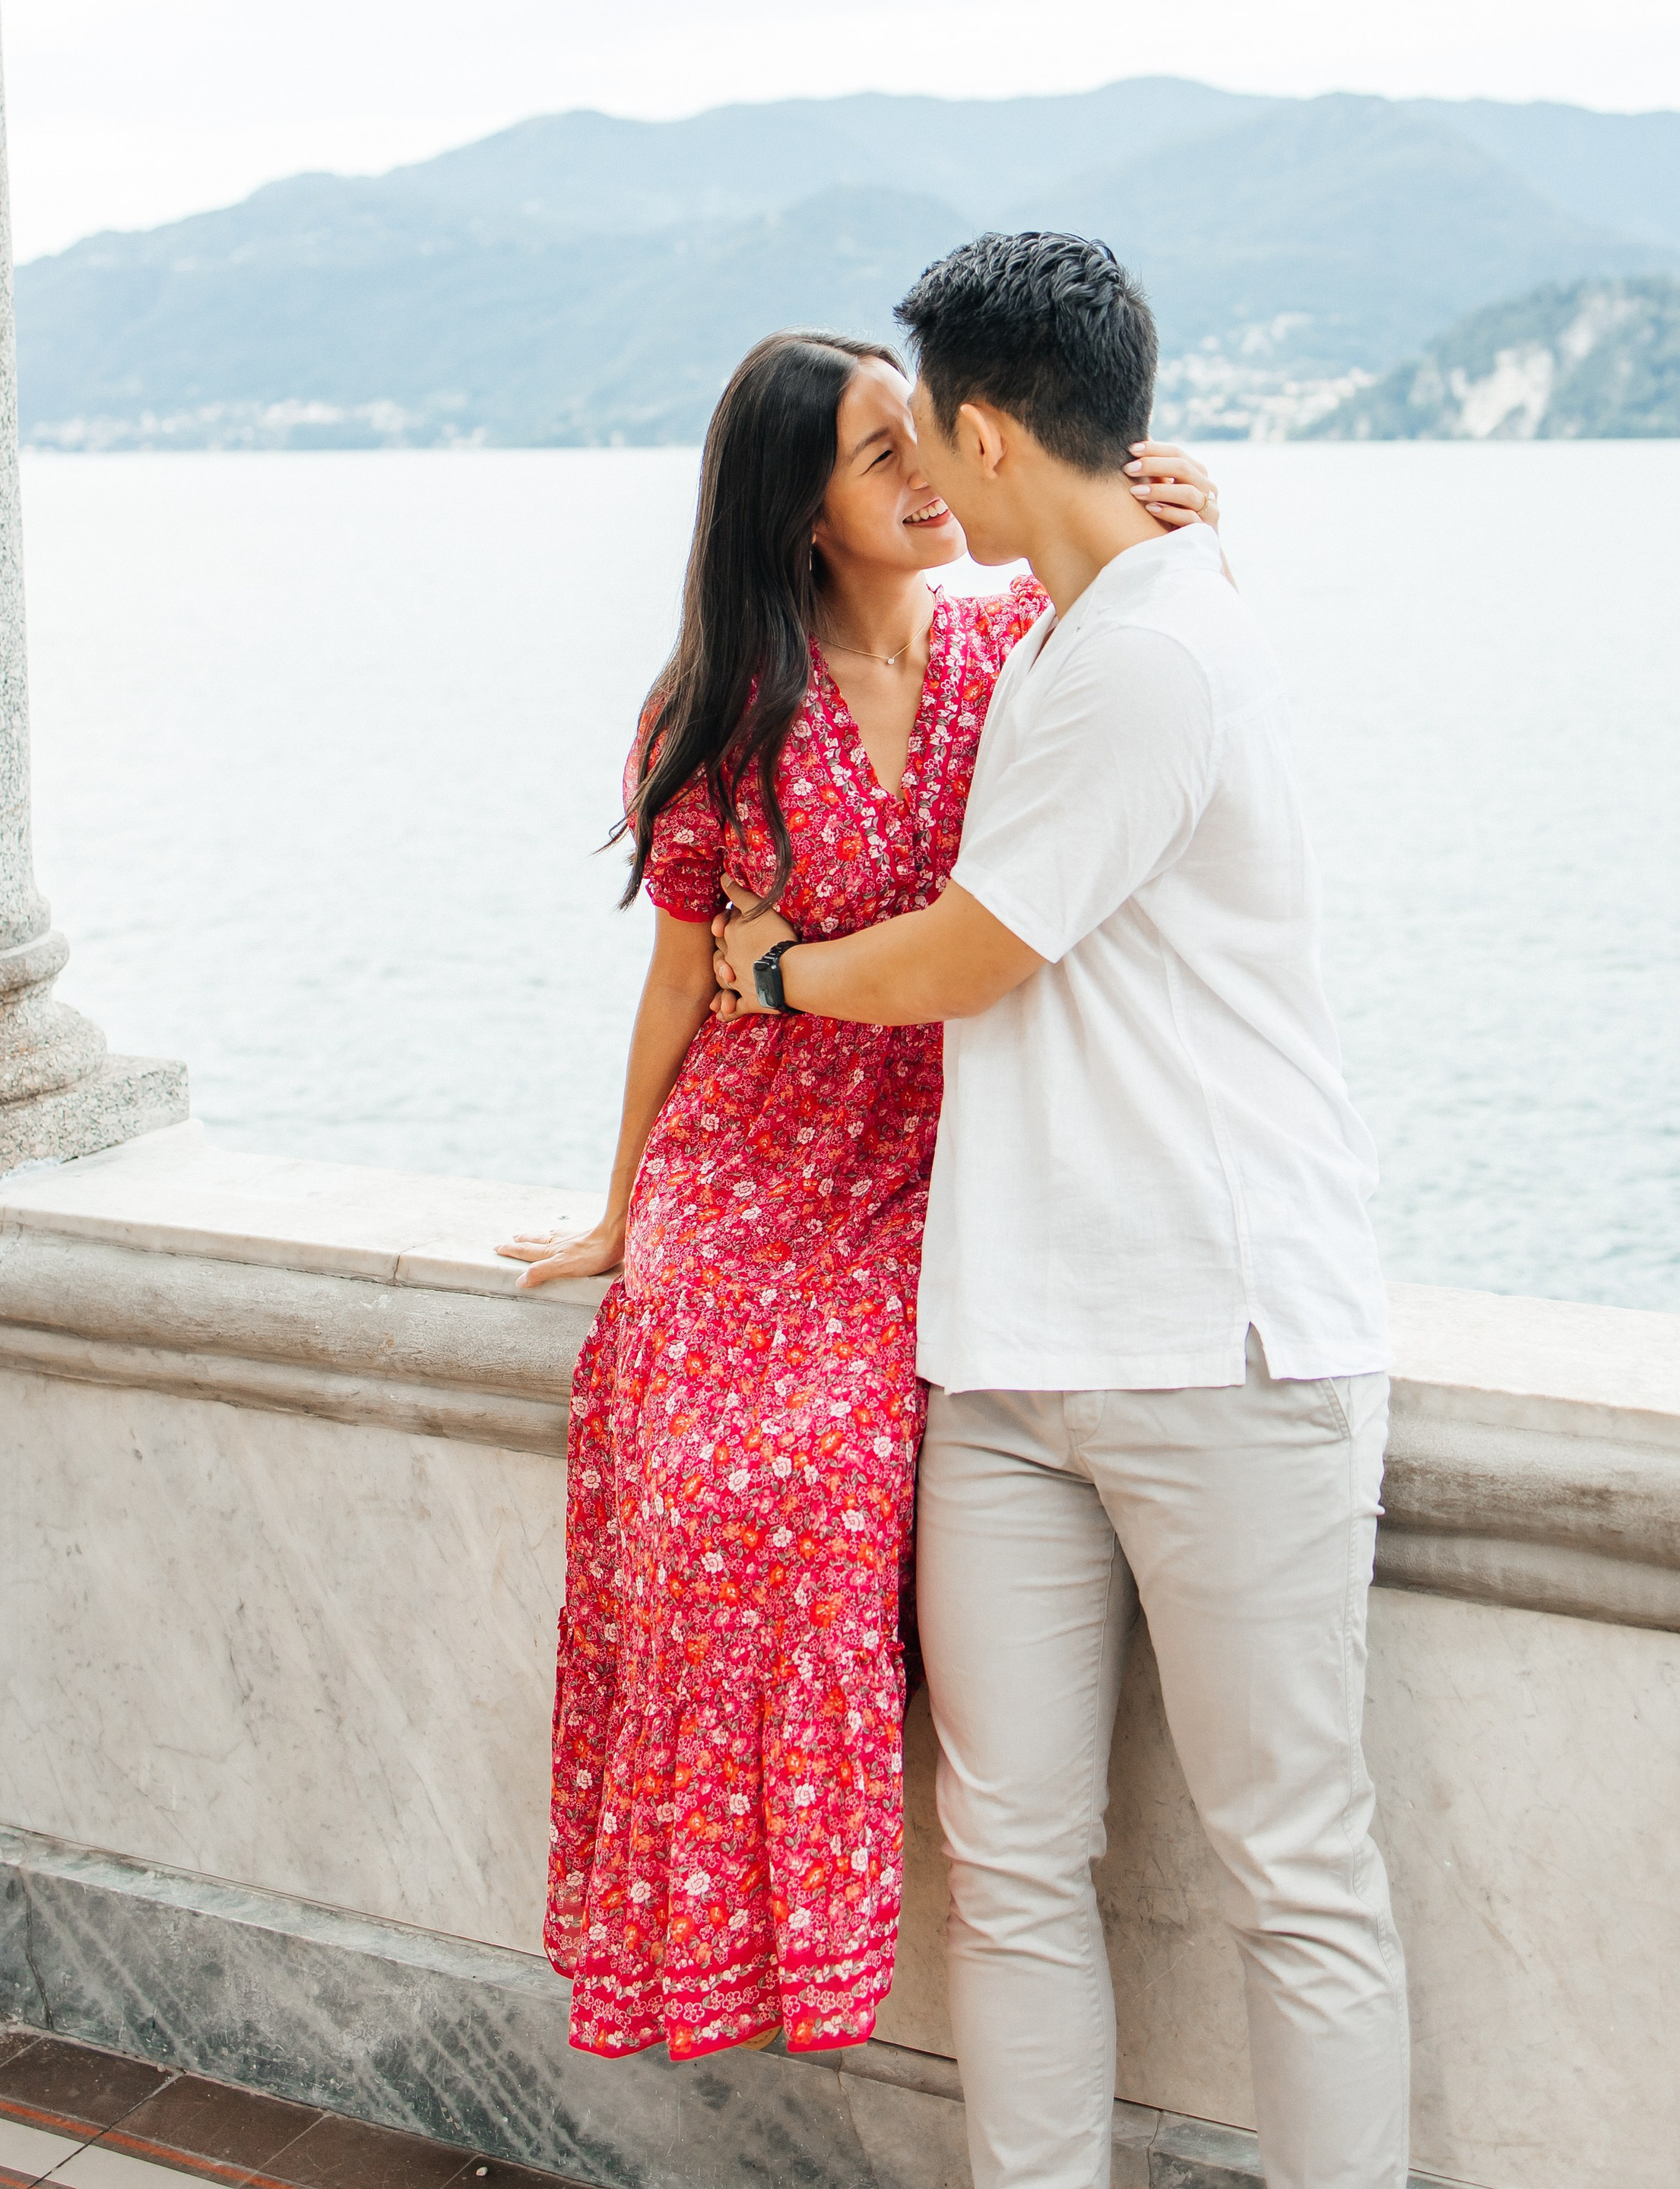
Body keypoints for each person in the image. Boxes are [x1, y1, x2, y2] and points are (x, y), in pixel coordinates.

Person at [713, 235, 1409, 2189]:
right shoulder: (1073, 624)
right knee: (1009, 1866)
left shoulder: (1152, 653)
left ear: (992, 433)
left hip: (1219, 1345)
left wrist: (769, 974)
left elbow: (970, 951)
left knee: (1294, 1869)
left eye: (924, 429)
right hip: (1008, 1353)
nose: (920, 469)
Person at [496, 327, 1216, 2065]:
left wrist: (1196, 520)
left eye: (923, 435)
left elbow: (1152, 653)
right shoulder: (719, 711)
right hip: (750, 1163)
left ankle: (810, 1947)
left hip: (934, 1168)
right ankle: (705, 1947)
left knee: (823, 1485)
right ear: (797, 511)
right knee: (707, 1500)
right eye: (877, 452)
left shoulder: (1014, 646)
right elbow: (676, 985)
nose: (925, 471)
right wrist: (623, 1209)